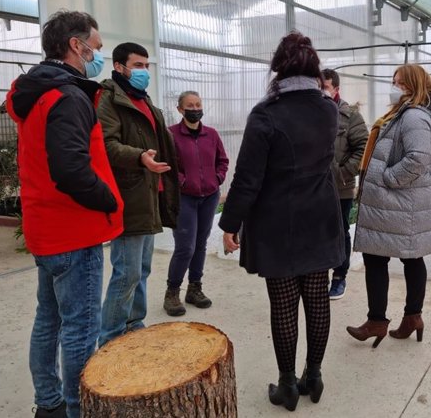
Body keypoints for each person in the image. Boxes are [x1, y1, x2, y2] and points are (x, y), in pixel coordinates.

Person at [6, 11, 124, 418]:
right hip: (74, 233)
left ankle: (49, 401)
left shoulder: (35, 92)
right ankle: (77, 409)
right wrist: (109, 199)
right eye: (97, 46)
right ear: (77, 45)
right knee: (80, 329)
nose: (98, 55)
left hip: (46, 228)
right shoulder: (68, 96)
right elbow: (70, 169)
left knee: (49, 319)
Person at [220, 32, 344, 411]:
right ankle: (315, 377)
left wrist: (230, 223)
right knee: (318, 299)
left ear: (277, 68)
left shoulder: (267, 113)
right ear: (313, 69)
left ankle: (288, 385)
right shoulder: (328, 109)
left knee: (284, 304)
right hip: (321, 216)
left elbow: (248, 177)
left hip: (278, 224)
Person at [347, 64, 431, 348]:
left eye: (400, 83)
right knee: (396, 258)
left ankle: (385, 320)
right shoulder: (404, 112)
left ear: (413, 85)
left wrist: (388, 178)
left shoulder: (415, 117)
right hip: (398, 204)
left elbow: (418, 157)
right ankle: (399, 319)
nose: (395, 88)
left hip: (401, 202)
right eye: (394, 82)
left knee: (389, 258)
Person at [98, 42, 179, 347]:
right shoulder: (109, 100)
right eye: (138, 66)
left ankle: (135, 324)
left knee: (141, 270)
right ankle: (111, 338)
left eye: (146, 65)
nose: (144, 71)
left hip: (149, 196)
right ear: (119, 67)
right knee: (126, 272)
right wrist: (139, 157)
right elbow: (106, 144)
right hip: (130, 196)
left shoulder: (143, 100)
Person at [163, 91, 229, 316]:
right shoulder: (171, 134)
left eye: (198, 104)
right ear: (180, 109)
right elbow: (167, 165)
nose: (195, 109)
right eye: (189, 105)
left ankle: (195, 288)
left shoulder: (211, 134)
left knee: (200, 244)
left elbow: (223, 160)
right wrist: (183, 183)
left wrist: (217, 178)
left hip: (209, 196)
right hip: (185, 198)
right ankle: (172, 292)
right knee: (185, 246)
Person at [321, 68, 368, 301]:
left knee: (339, 232)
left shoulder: (350, 117)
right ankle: (318, 275)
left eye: (325, 87)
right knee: (317, 231)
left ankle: (339, 277)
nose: (321, 91)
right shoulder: (310, 114)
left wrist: (343, 172)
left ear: (337, 89)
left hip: (340, 187)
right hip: (314, 188)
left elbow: (363, 146)